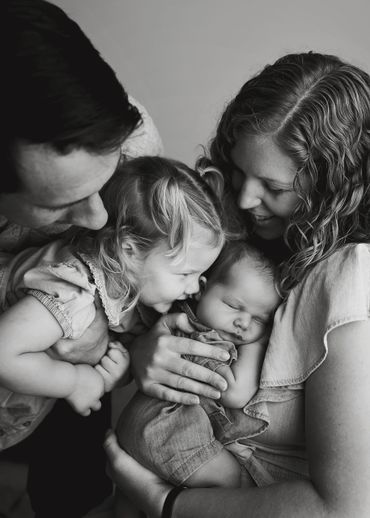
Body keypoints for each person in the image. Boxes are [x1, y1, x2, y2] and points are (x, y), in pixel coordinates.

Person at [104, 51, 370, 518]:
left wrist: (165, 505)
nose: (246, 198)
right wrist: (147, 351)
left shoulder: (350, 277)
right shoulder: (228, 235)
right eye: (240, 171)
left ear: (333, 190)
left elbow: (348, 508)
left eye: (274, 187)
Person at [0, 2, 168, 517]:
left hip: (77, 396)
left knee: (75, 494)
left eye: (105, 179)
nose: (98, 219)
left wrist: (142, 344)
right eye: (60, 205)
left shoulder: (131, 140)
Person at [0, 155, 227, 454]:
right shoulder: (72, 291)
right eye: (186, 273)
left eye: (201, 274)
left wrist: (113, 371)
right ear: (129, 250)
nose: (195, 287)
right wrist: (75, 382)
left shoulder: (125, 290)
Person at [116, 239, 281, 497]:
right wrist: (259, 341)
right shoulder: (207, 339)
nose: (243, 323)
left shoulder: (179, 321)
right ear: (201, 288)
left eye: (260, 319)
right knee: (231, 481)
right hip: (164, 427)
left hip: (154, 428)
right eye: (234, 306)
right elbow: (235, 393)